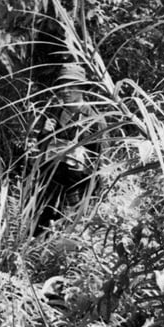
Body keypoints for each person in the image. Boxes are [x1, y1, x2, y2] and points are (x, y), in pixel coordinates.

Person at [28, 63, 102, 235]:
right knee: (39, 231)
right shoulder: (55, 112)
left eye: (71, 86)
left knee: (71, 232)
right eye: (62, 87)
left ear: (82, 88)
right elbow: (43, 149)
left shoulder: (94, 119)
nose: (66, 91)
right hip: (49, 184)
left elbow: (99, 162)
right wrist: (44, 133)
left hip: (76, 188)